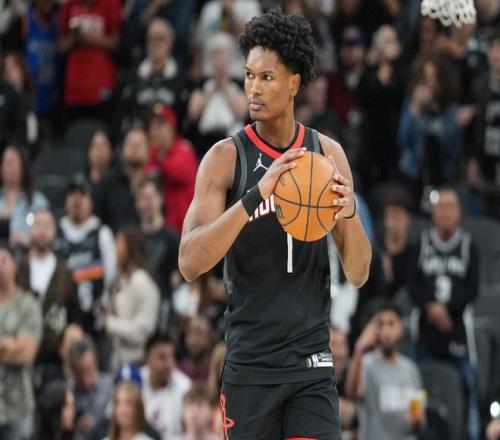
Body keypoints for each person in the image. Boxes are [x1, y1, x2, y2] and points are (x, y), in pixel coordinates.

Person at [178, 9, 371, 439]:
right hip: (250, 366)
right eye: (249, 76)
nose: (253, 88)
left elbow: (359, 273)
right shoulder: (225, 158)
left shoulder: (328, 156)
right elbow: (189, 263)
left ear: (295, 83)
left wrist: (349, 214)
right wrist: (254, 196)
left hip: (310, 364)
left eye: (267, 77)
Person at [409, 186, 480, 440]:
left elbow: (472, 287)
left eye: (451, 207)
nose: (446, 212)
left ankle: (472, 433)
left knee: (469, 385)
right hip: (425, 333)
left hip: (456, 331)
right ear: (433, 213)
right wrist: (431, 307)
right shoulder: (421, 243)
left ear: (460, 212)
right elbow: (412, 283)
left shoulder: (468, 245)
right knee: (418, 387)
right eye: (442, 207)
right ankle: (417, 433)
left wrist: (447, 310)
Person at [16, 209, 82, 386]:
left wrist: (71, 335)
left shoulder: (65, 272)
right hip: (22, 356)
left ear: (54, 231)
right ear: (30, 230)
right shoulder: (18, 269)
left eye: (47, 225)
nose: (42, 230)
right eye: (38, 225)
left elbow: (76, 314)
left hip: (56, 359)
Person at [345, 302, 425, 440]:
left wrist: (419, 419)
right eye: (380, 324)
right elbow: (352, 392)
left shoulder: (411, 368)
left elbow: (420, 416)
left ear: (400, 327)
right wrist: (359, 347)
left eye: (391, 323)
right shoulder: (365, 363)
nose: (386, 330)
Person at [55, 176, 116, 337]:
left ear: (91, 202)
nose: (76, 199)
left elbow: (111, 274)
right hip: (62, 313)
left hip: (93, 315)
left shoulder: (102, 233)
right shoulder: (56, 233)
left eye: (82, 194)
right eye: (72, 194)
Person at [0, 244, 42, 440]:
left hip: (18, 407)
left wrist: (16, 347)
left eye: (3, 261)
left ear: (14, 265)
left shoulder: (27, 304)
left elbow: (26, 353)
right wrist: (10, 342)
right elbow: (16, 348)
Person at [104, 227, 159, 370]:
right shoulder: (119, 279)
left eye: (119, 244)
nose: (115, 250)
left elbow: (142, 331)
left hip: (137, 362)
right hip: (117, 361)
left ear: (130, 248)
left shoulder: (141, 282)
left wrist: (110, 324)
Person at [58, 0, 122, 124]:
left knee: (102, 127)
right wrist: (73, 38)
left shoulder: (110, 4)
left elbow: (116, 44)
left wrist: (89, 38)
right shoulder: (69, 5)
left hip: (101, 84)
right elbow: (60, 47)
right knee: (76, 130)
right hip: (75, 87)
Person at [187, 32, 248, 158]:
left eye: (221, 55)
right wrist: (213, 86)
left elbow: (241, 113)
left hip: (231, 141)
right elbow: (193, 113)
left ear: (229, 58)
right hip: (205, 142)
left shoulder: (238, 84)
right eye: (214, 56)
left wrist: (224, 86)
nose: (217, 61)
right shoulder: (202, 85)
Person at [120, 18, 185, 135]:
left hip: (172, 137)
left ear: (170, 43)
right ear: (147, 43)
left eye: (161, 38)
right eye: (153, 39)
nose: (156, 43)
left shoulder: (181, 76)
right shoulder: (133, 75)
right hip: (140, 136)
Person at [135, 176, 179, 334]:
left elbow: (178, 279)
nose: (148, 203)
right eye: (143, 198)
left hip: (163, 310)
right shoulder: (133, 239)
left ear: (160, 198)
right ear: (137, 203)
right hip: (138, 308)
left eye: (151, 197)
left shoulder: (172, 238)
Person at [146, 103, 197, 234]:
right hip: (162, 227)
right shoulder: (152, 153)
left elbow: (179, 173)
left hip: (186, 226)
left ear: (171, 127)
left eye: (160, 126)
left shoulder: (184, 149)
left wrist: (159, 159)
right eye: (152, 127)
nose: (154, 132)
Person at [467, 30, 500, 216]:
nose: (497, 54)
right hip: (485, 167)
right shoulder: (479, 86)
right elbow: (473, 129)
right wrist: (472, 159)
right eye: (493, 48)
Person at [93, 128, 148, 232]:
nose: (135, 149)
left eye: (139, 145)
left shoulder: (153, 183)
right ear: (122, 149)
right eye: (131, 144)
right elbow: (96, 219)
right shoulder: (107, 182)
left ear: (148, 151)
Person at [140, 334, 192, 439]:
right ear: (147, 359)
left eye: (171, 357)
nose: (169, 364)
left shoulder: (185, 387)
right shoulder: (135, 380)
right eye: (162, 357)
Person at [0, 145, 49, 249]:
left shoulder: (37, 202)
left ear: (22, 167)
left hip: (25, 254)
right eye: (3, 162)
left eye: (10, 163)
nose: (5, 167)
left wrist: (28, 240)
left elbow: (48, 235)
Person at [67, 337, 114, 439]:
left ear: (95, 363)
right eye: (79, 373)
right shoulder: (67, 392)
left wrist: (97, 424)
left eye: (89, 371)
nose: (85, 380)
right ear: (71, 371)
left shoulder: (110, 387)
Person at [178, 316, 214, 383]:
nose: (194, 340)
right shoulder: (177, 371)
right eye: (190, 333)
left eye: (199, 334)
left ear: (209, 339)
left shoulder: (214, 375)